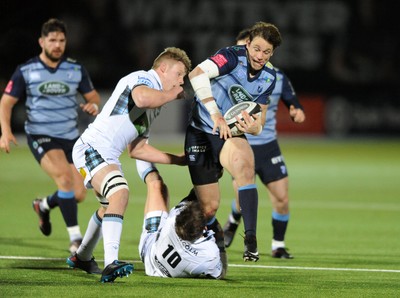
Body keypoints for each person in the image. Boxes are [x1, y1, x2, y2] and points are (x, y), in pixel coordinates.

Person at [66, 47, 192, 283]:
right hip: (92, 147)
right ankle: (110, 262)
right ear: (163, 68)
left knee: (108, 207)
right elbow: (141, 97)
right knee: (120, 193)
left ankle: (82, 256)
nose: (181, 81)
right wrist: (174, 95)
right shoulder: (143, 79)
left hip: (106, 155)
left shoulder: (155, 106)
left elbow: (138, 149)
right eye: (179, 74)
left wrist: (178, 160)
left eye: (183, 78)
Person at [0, 18, 101, 253]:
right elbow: (6, 103)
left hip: (70, 137)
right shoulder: (26, 71)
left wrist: (94, 106)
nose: (57, 45)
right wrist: (5, 132)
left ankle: (43, 205)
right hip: (41, 135)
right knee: (64, 180)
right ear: (41, 42)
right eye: (52, 40)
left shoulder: (75, 69)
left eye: (61, 40)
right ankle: (76, 240)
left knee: (78, 193)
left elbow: (93, 97)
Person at [185, 22, 282, 262]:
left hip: (230, 132)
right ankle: (214, 233)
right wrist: (215, 112)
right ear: (248, 43)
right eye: (256, 49)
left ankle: (250, 239)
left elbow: (259, 119)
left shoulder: (269, 77)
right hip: (201, 130)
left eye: (266, 52)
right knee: (209, 207)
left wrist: (254, 127)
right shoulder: (230, 56)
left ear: (272, 53)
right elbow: (196, 73)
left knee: (245, 166)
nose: (260, 56)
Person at [223, 29, 306, 259]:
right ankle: (231, 223)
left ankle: (278, 245)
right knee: (243, 200)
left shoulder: (276, 77)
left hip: (268, 146)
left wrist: (296, 111)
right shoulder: (228, 74)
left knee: (282, 197)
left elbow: (293, 102)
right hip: (241, 144)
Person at [136, 160, 225, 279]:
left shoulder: (174, 218)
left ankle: (138, 149)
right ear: (204, 228)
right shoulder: (210, 253)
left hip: (149, 251)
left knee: (155, 184)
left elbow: (192, 197)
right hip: (162, 257)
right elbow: (221, 273)